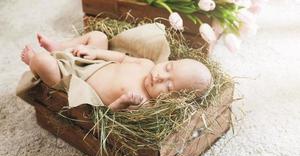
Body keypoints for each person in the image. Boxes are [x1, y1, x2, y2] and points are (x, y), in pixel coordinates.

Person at [20, 31, 212, 111]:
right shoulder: (147, 65)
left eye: (168, 86)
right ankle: (59, 47)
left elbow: (107, 117)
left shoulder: (142, 102)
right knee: (98, 36)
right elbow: (120, 57)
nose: (160, 76)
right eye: (168, 68)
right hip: (90, 63)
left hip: (73, 82)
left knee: (44, 63)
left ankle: (34, 63)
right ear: (171, 61)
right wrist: (95, 52)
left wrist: (122, 102)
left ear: (172, 101)